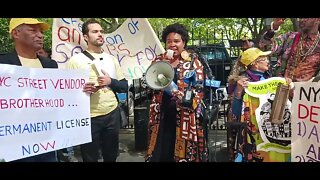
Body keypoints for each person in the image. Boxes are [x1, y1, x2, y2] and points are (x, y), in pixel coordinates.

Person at [145, 23, 208, 162]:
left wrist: (184, 95)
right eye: (169, 41)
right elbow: (148, 84)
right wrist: (163, 65)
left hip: (184, 114)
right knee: (161, 150)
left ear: (184, 43)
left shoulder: (193, 62)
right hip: (161, 113)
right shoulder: (158, 60)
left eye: (176, 41)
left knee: (183, 151)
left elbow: (199, 88)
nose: (172, 44)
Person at [67, 19, 128, 162]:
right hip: (88, 117)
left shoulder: (111, 59)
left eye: (101, 31)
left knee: (111, 155)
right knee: (90, 157)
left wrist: (110, 81)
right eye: (95, 31)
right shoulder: (75, 61)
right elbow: (67, 93)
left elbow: (124, 86)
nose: (100, 34)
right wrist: (82, 90)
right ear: (86, 37)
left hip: (112, 114)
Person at [0, 18, 58, 162]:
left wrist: (80, 91)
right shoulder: (3, 64)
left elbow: (59, 98)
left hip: (47, 142)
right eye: (33, 30)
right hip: (13, 143)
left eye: (41, 31)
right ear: (16, 34)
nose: (40, 35)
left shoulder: (51, 65)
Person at [229, 47, 291, 162]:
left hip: (269, 131)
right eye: (264, 58)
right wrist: (238, 91)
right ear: (254, 63)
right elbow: (235, 113)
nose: (268, 61)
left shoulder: (270, 78)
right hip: (251, 134)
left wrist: (285, 85)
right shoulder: (242, 82)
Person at [259, 18, 320, 83]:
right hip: (283, 87)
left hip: (308, 90)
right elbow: (265, 45)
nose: (302, 20)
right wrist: (274, 27)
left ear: (317, 20)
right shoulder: (290, 37)